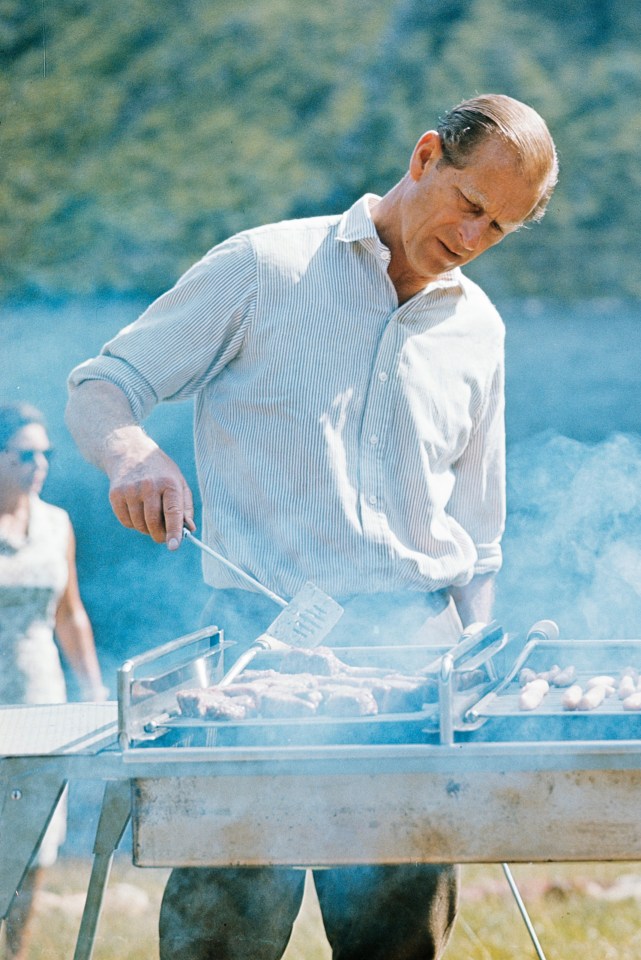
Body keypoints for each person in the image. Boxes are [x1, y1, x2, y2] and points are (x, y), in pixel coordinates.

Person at [66, 93, 558, 960]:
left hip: (414, 667)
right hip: (262, 658)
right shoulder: (265, 267)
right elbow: (104, 385)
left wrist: (478, 660)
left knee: (397, 940)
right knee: (226, 934)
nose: (475, 237)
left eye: (501, 229)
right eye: (470, 205)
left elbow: (477, 536)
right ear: (423, 156)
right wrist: (131, 455)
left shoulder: (477, 327)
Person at [0, 402, 106, 960]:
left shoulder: (57, 522)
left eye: (45, 453)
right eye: (24, 454)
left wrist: (92, 690)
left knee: (35, 838)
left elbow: (70, 613)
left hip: (41, 696)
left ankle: (16, 952)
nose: (39, 464)